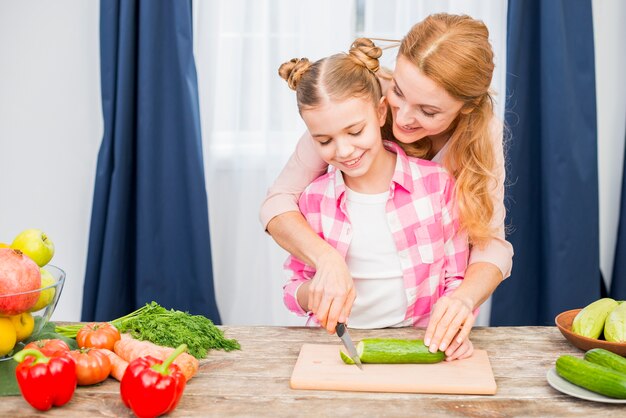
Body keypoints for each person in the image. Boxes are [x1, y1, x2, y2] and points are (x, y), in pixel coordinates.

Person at [261, 14, 512, 359]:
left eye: (427, 110)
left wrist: (462, 300)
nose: (404, 118)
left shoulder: (471, 147)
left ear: (465, 107)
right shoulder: (353, 106)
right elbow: (279, 202)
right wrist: (327, 260)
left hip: (422, 329)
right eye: (398, 92)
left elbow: (490, 242)